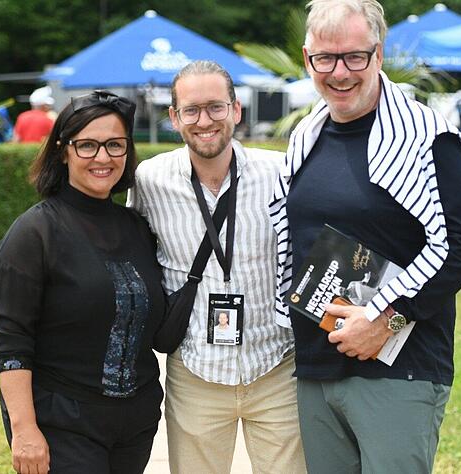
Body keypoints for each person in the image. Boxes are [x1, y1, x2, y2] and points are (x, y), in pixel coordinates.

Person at [269, 1, 461, 472]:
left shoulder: (430, 138)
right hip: (317, 368)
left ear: (379, 53)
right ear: (307, 59)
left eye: (354, 56)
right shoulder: (306, 136)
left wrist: (387, 320)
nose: (340, 72)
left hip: (399, 370)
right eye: (325, 58)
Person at [127, 60, 305, 474]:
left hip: (277, 365)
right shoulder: (150, 180)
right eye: (191, 110)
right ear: (174, 117)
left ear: (236, 110)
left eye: (215, 107)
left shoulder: (280, 173)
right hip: (195, 371)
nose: (204, 121)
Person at [0, 90, 166, 474]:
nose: (103, 157)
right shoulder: (34, 233)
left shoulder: (138, 227)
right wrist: (24, 430)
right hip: (62, 422)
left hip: (136, 424)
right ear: (63, 151)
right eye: (87, 145)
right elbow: (12, 343)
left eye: (115, 145)